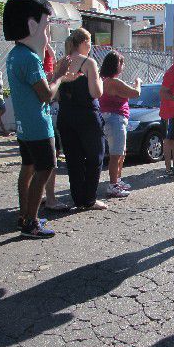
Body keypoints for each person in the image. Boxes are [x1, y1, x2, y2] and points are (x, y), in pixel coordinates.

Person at [3, 0, 79, 237]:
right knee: (44, 170)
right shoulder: (30, 58)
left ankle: (23, 215)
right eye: (46, 28)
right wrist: (58, 75)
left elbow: (34, 87)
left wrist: (56, 76)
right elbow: (46, 95)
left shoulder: (14, 55)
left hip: (24, 126)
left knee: (27, 168)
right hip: (38, 125)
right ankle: (31, 222)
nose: (47, 36)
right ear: (32, 25)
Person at [57, 28, 107, 210]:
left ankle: (78, 198)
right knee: (96, 157)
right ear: (85, 42)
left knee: (73, 159)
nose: (91, 46)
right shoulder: (88, 63)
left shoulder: (61, 62)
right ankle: (89, 199)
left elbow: (56, 94)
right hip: (87, 116)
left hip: (65, 115)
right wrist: (100, 80)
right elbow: (96, 92)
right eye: (90, 42)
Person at [100, 50, 141, 198]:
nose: (122, 66)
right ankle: (113, 185)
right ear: (115, 65)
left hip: (116, 118)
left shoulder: (106, 81)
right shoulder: (113, 81)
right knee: (116, 153)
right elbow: (135, 93)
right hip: (115, 119)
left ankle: (117, 180)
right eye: (121, 63)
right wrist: (138, 83)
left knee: (121, 152)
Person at [41, 42, 69, 212]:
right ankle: (50, 198)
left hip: (45, 115)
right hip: (48, 116)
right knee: (51, 159)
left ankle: (46, 195)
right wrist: (58, 76)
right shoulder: (47, 71)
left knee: (46, 159)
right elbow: (51, 94)